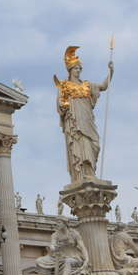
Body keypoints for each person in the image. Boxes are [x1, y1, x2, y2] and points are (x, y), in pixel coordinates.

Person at [53, 46, 113, 183]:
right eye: (76, 68)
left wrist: (111, 71)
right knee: (80, 144)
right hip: (75, 121)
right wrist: (66, 107)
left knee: (95, 144)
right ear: (70, 70)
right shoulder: (65, 86)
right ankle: (81, 175)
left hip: (87, 119)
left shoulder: (87, 85)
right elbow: (60, 105)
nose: (79, 70)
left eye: (80, 68)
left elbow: (103, 86)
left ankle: (91, 172)